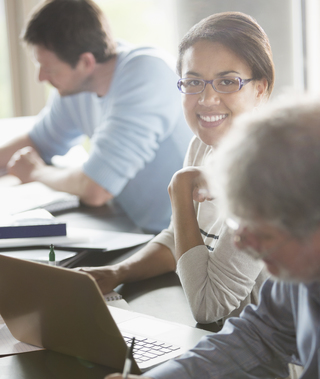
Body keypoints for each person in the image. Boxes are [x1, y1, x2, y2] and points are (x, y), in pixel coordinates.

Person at [61, 98, 320, 379]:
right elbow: (260, 338)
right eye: (237, 223)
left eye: (261, 232)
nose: (244, 245)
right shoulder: (300, 274)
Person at [80, 11, 275, 325]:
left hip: (264, 357)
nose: (207, 99)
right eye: (194, 82)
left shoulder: (267, 178)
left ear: (260, 88)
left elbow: (209, 307)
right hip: (221, 339)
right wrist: (116, 273)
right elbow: (178, 238)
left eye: (227, 82)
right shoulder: (204, 144)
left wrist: (180, 188)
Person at [1, 0, 192, 232]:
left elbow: (97, 189)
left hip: (183, 239)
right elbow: (37, 142)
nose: (40, 77)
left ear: (85, 62)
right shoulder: (76, 89)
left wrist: (37, 173)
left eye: (48, 69)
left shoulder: (146, 74)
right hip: (135, 228)